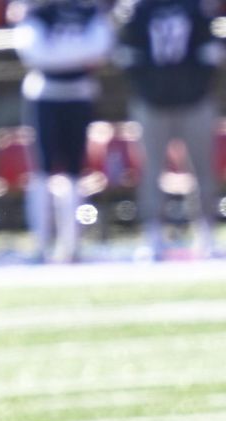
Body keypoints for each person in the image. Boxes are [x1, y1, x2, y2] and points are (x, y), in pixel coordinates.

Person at [114, 0, 224, 260]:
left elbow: (211, 52)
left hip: (194, 101)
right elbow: (126, 55)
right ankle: (153, 235)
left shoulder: (195, 7)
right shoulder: (137, 10)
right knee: (151, 169)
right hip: (152, 103)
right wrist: (150, 89)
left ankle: (205, 232)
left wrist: (195, 86)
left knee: (202, 168)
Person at [13, 0, 114, 262]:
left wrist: (60, 53)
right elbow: (32, 51)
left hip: (80, 94)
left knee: (74, 171)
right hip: (44, 95)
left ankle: (71, 244)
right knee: (41, 171)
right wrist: (77, 53)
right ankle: (41, 243)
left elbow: (101, 45)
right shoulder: (37, 12)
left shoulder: (89, 11)